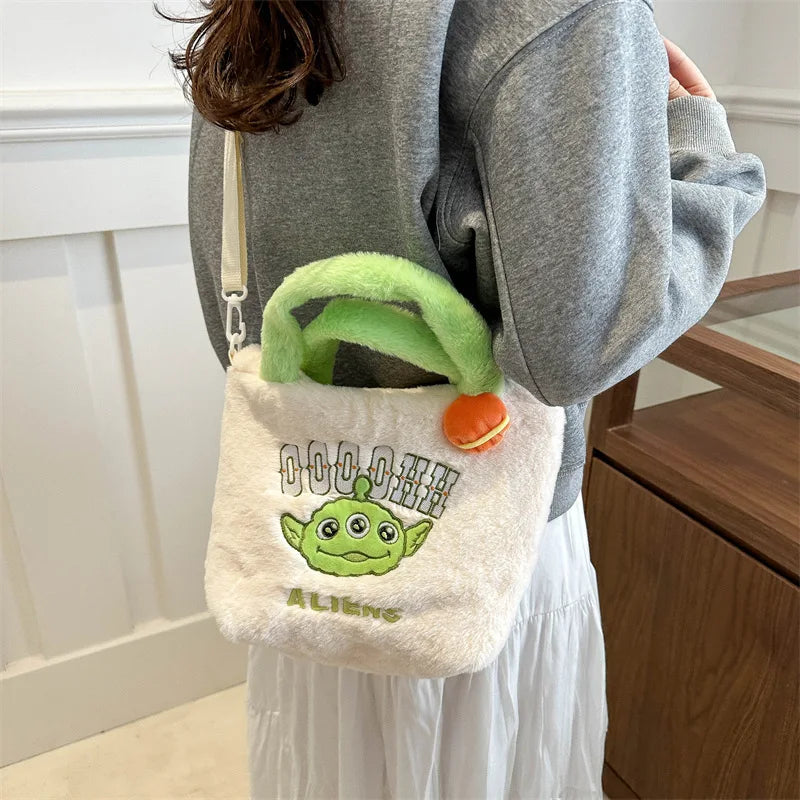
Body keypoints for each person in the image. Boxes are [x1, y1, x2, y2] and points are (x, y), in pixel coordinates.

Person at [171, 0, 766, 796]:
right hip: (482, 539)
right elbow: (574, 348)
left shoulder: (254, 12)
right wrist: (705, 166)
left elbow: (236, 312)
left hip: (310, 542)